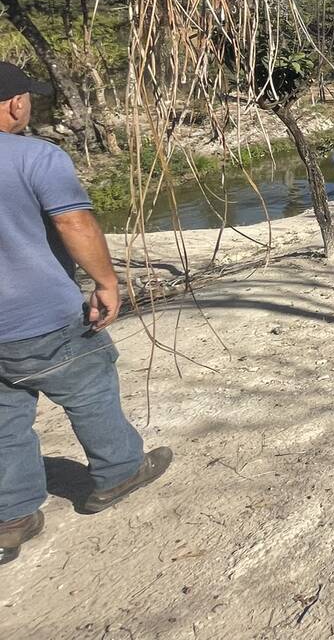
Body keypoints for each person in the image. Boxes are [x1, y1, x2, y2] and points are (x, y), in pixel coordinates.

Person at [0, 61, 171, 564]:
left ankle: (12, 516)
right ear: (15, 103)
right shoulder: (36, 157)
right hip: (41, 316)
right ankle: (120, 472)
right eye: (27, 97)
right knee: (90, 390)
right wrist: (106, 281)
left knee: (4, 420)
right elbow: (74, 221)